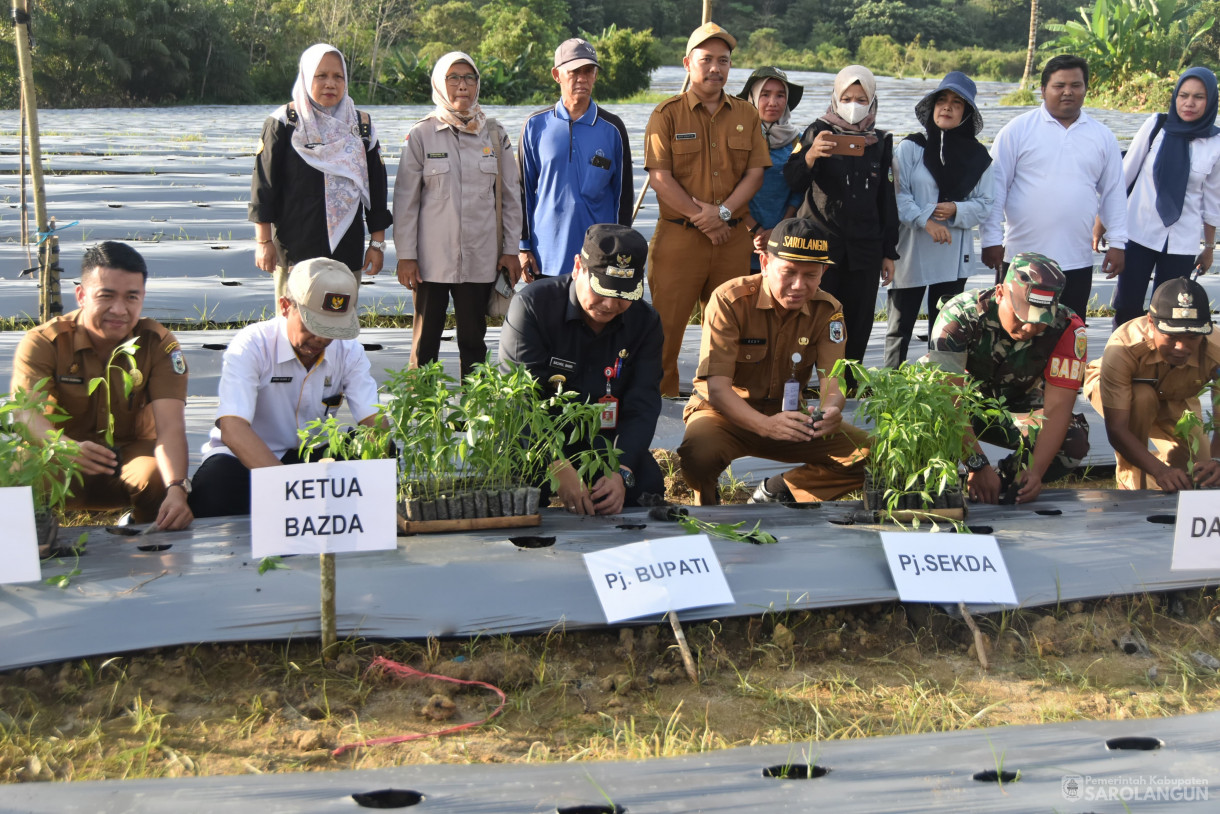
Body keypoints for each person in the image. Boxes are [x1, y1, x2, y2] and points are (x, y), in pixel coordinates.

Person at [677, 218, 869, 505]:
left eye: (811, 275)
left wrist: (830, 410)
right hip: (725, 415)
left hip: (792, 418)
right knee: (698, 452)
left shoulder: (828, 309)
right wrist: (765, 426)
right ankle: (707, 507)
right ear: (765, 263)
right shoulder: (730, 300)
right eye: (788, 272)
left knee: (877, 457)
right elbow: (717, 389)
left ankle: (781, 491)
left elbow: (834, 379)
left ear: (824, 272)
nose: (799, 285)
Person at [10, 241, 192, 530]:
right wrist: (63, 448)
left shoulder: (158, 344)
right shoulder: (44, 342)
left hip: (128, 461)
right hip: (61, 460)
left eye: (132, 297)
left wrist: (177, 488)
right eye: (106, 296)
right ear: (81, 295)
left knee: (157, 475)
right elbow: (26, 415)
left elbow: (171, 427)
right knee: (13, 469)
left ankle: (149, 544)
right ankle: (35, 539)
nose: (119, 309)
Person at [188, 258, 380, 518]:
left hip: (312, 455)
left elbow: (373, 421)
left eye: (333, 329)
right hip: (249, 458)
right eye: (313, 326)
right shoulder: (252, 345)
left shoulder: (349, 352)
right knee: (215, 488)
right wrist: (291, 491)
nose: (322, 339)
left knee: (377, 451)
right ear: (285, 306)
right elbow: (233, 429)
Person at [499, 224, 665, 514]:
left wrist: (620, 470)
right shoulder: (533, 307)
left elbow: (643, 403)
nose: (611, 304)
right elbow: (520, 401)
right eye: (601, 290)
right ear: (578, 267)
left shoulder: (645, 322)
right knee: (515, 489)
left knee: (647, 485)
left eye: (624, 294)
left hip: (602, 442)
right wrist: (558, 466)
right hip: (539, 441)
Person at [643, 22, 770, 396]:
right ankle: (659, 403)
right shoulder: (666, 114)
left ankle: (723, 404)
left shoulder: (747, 115)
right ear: (687, 63)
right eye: (707, 60)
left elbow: (755, 173)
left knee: (730, 330)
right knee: (665, 330)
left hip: (731, 239)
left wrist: (724, 215)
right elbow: (660, 178)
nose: (716, 68)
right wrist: (705, 219)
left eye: (724, 61)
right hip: (679, 239)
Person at [395, 51, 523, 377]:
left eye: (469, 78)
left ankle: (475, 420)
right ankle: (423, 416)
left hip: (480, 259)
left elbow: (510, 197)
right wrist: (406, 256)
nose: (462, 85)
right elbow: (405, 202)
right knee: (425, 345)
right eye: (454, 77)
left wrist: (511, 251)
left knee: (473, 342)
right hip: (430, 263)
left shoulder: (495, 135)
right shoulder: (422, 135)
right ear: (440, 84)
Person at [929, 253, 1091, 505]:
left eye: (1040, 321)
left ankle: (1006, 483)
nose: (1028, 328)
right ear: (1001, 293)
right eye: (1021, 315)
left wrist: (1035, 471)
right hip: (966, 405)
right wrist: (976, 464)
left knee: (1073, 440)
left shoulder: (1068, 328)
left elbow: (1058, 408)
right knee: (924, 411)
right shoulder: (961, 316)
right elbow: (946, 401)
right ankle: (942, 486)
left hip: (1019, 409)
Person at [981, 54, 1127, 320]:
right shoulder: (1017, 131)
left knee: (1069, 334)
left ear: (1086, 89)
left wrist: (1117, 243)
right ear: (1043, 89)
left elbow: (1114, 193)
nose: (1068, 92)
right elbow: (995, 188)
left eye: (1076, 85)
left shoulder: (1102, 136)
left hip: (1076, 261)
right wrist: (990, 240)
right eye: (1059, 86)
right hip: (1021, 260)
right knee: (1013, 332)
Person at [783, 65, 899, 387]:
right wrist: (810, 156)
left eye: (861, 98)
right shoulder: (816, 130)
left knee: (858, 322)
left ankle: (846, 389)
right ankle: (802, 384)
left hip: (864, 250)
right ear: (835, 96)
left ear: (872, 99)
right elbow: (792, 177)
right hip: (821, 246)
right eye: (846, 96)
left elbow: (886, 200)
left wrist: (889, 252)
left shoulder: (880, 142)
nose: (853, 103)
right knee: (813, 315)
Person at [250, 43, 392, 300]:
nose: (330, 84)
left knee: (339, 325)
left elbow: (377, 190)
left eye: (338, 77)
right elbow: (264, 185)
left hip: (345, 249)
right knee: (293, 327)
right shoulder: (284, 122)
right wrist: (263, 241)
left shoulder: (360, 127)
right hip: (295, 247)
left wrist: (377, 244)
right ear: (306, 77)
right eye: (321, 76)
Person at [885, 71, 994, 368]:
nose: (947, 107)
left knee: (945, 327)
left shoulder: (979, 157)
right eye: (942, 100)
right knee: (899, 328)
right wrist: (927, 220)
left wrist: (957, 209)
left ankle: (940, 390)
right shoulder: (910, 148)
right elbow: (898, 196)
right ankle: (889, 388)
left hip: (952, 252)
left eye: (956, 103)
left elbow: (986, 204)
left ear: (966, 113)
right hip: (910, 250)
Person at [1099, 67, 1220, 328]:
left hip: (1181, 242)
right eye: (1184, 95)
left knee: (1173, 310)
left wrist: (1208, 248)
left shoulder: (1215, 143)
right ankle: (1123, 360)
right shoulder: (1157, 126)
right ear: (1175, 96)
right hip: (1138, 232)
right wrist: (1102, 220)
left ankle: (1160, 366)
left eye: (1199, 97)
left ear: (1210, 101)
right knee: (1127, 305)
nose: (1189, 103)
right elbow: (1123, 176)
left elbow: (1212, 201)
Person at [1083, 277, 1220, 491]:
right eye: (1171, 335)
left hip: (1177, 396)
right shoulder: (1124, 346)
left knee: (1197, 473)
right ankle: (1132, 483)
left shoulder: (1216, 349)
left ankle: (1154, 468)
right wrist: (1160, 471)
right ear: (1151, 322)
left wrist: (1217, 460)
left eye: (1193, 336)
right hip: (1122, 393)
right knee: (1142, 397)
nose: (1182, 347)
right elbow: (1117, 428)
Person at [517, 39, 633, 280]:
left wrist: (620, 247)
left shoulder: (612, 128)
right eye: (574, 71)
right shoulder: (535, 126)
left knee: (597, 316)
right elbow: (523, 190)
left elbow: (623, 195)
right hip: (545, 256)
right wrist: (524, 246)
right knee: (548, 318)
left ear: (595, 76)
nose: (582, 78)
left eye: (588, 71)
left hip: (600, 255)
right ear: (556, 74)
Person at [737, 66, 804, 272]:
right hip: (739, 234)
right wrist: (755, 229)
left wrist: (778, 230)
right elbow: (727, 187)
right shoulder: (737, 137)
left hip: (782, 238)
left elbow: (798, 190)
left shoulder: (797, 141)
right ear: (752, 97)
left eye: (780, 95)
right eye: (765, 95)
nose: (773, 103)